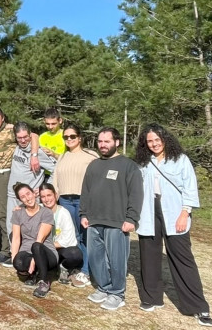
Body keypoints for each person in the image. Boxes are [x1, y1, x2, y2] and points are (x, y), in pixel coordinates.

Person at [134, 124, 212, 326]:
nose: (154, 144)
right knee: (149, 256)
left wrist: (184, 213)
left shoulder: (180, 159)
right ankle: (151, 298)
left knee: (182, 259)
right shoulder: (143, 162)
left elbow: (190, 188)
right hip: (149, 212)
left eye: (157, 140)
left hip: (175, 212)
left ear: (165, 139)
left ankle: (198, 307)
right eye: (149, 141)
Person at [81, 127, 143, 311]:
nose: (103, 145)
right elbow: (85, 191)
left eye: (107, 141)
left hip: (117, 222)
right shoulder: (94, 165)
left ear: (117, 142)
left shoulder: (128, 165)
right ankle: (103, 287)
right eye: (100, 141)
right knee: (95, 258)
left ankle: (117, 293)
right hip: (93, 221)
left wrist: (131, 218)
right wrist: (83, 214)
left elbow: (136, 195)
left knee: (117, 260)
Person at [0, 108, 40, 267]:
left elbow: (33, 135)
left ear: (3, 117)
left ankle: (6, 249)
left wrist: (34, 155)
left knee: (4, 213)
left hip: (3, 175)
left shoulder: (10, 129)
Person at [53, 122, 98, 287]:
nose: (69, 139)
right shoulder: (63, 157)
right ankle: (75, 267)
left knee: (85, 236)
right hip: (65, 200)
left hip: (82, 200)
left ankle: (86, 270)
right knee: (72, 237)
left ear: (79, 138)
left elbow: (97, 178)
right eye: (66, 137)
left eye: (72, 136)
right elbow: (56, 178)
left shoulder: (90, 156)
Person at [6, 122, 56, 240]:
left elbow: (56, 169)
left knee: (31, 228)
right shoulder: (16, 147)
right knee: (11, 226)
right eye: (19, 138)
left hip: (30, 197)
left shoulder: (38, 152)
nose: (23, 140)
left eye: (25, 137)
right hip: (13, 195)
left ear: (30, 136)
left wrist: (45, 188)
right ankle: (14, 255)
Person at [10, 183, 58, 299]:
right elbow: (16, 238)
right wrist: (14, 260)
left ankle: (44, 281)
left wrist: (34, 259)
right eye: (23, 197)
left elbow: (40, 239)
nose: (27, 198)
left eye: (28, 194)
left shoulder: (46, 212)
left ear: (34, 194)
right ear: (19, 200)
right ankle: (33, 274)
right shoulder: (18, 213)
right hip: (27, 250)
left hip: (45, 251)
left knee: (36, 246)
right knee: (18, 262)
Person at [39, 183, 83, 285]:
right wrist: (19, 208)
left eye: (49, 195)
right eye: (43, 197)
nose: (47, 199)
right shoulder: (38, 209)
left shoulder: (64, 213)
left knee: (75, 254)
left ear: (56, 195)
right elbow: (26, 207)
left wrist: (48, 245)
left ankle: (64, 267)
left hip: (59, 248)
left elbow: (69, 240)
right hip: (43, 249)